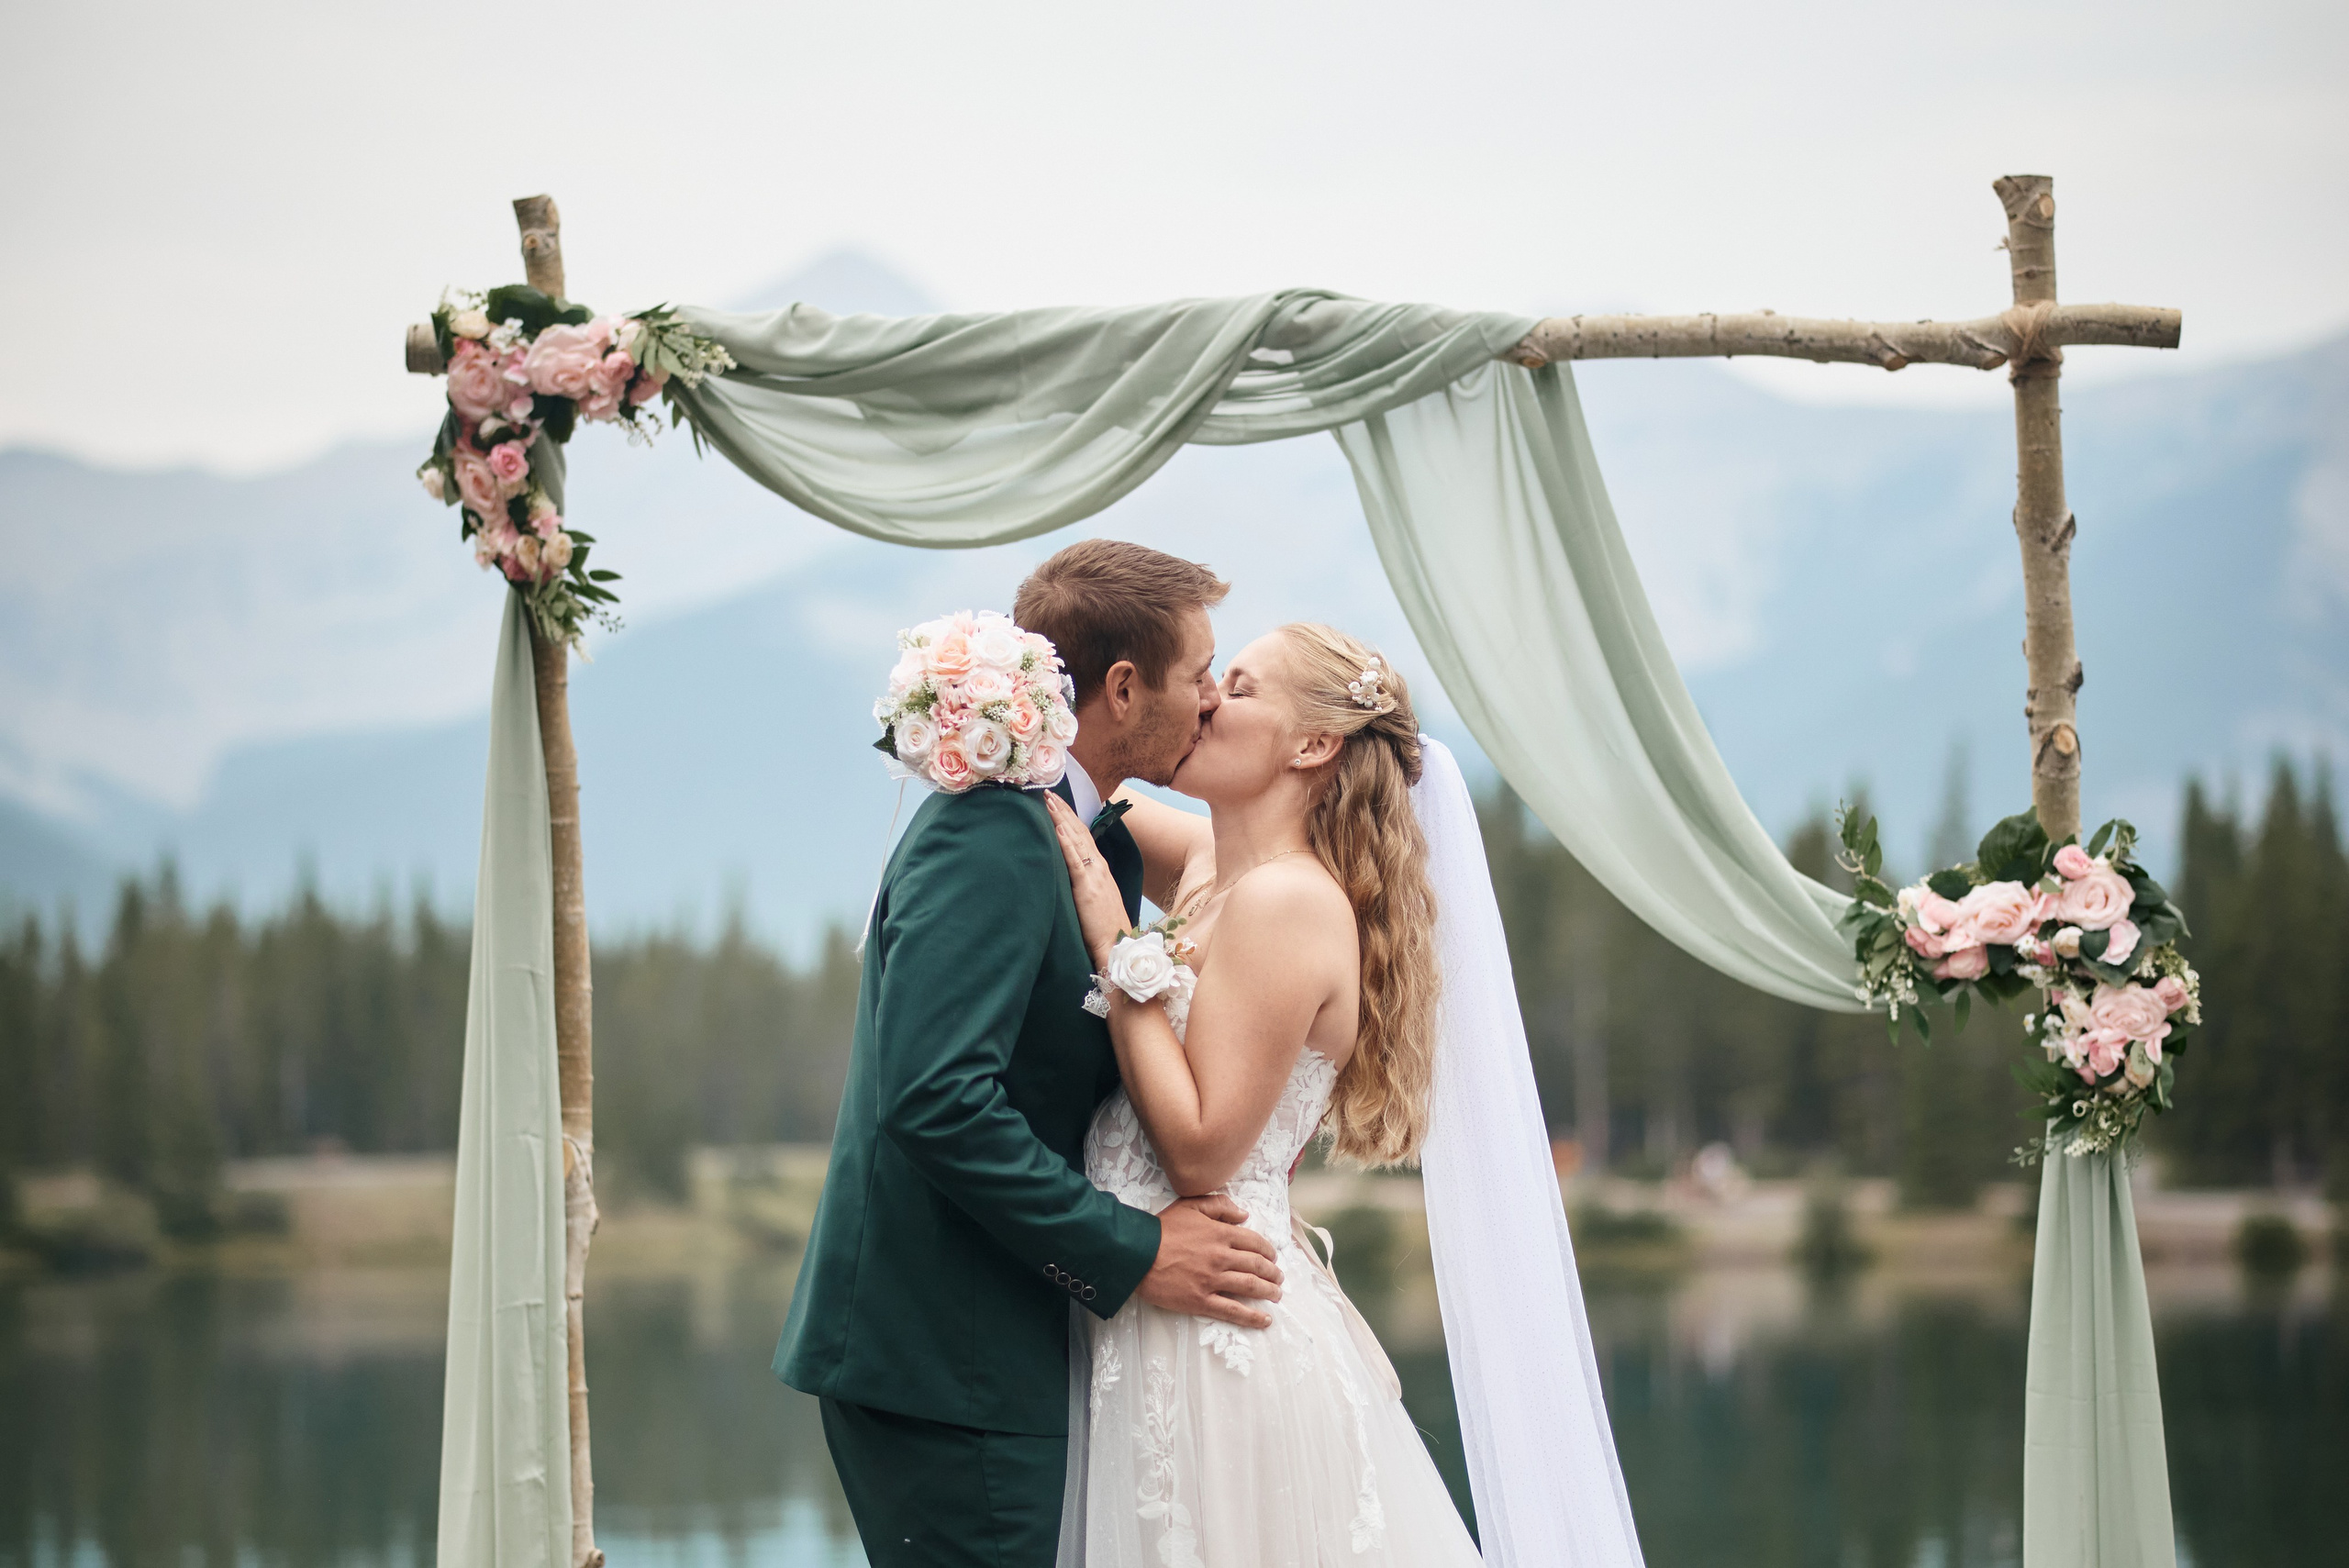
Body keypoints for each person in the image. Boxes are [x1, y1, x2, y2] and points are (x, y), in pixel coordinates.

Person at [774, 540, 1287, 1567]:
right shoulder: (991, 835)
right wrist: (1135, 1251)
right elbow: (936, 1100)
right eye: (1198, 674)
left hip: (996, 1349)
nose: (1209, 701)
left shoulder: (1092, 835)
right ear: (1124, 687)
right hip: (942, 1362)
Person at [1043, 622, 1484, 1566]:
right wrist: (985, 698)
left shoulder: (1291, 901)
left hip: (1218, 1340)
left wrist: (1117, 942)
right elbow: (1080, 778)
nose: (1204, 701)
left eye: (1236, 688)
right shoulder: (1213, 867)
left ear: (1313, 743)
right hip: (1152, 1313)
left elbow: (1199, 1148)